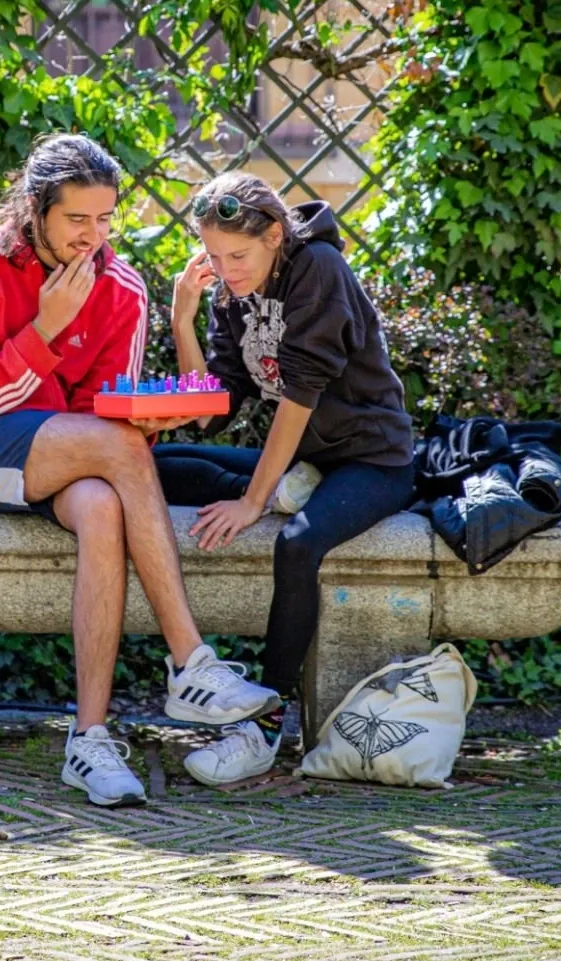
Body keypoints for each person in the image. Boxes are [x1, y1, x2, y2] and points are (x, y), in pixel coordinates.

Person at [0, 134, 278, 807]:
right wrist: (43, 333)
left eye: (106, 219)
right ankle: (191, 665)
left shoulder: (123, 287)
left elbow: (96, 417)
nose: (94, 237)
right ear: (34, 208)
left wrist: (139, 421)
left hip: (59, 463)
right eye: (77, 219)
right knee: (118, 453)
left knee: (104, 502)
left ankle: (88, 739)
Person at [155, 171, 416, 786]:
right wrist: (182, 317)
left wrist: (253, 500)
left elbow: (298, 397)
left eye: (238, 255)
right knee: (154, 470)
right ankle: (288, 491)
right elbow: (210, 404)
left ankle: (264, 723)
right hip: (306, 462)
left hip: (372, 461)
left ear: (275, 234)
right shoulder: (233, 290)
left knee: (297, 543)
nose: (227, 269)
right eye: (214, 256)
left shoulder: (319, 267)